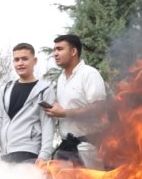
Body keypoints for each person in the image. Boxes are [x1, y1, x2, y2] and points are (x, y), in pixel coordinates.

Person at [44, 34, 109, 169]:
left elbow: (99, 107)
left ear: (74, 51)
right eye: (54, 50)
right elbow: (70, 106)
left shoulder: (89, 74)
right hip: (67, 146)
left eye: (60, 49)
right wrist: (56, 108)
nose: (55, 53)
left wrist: (65, 112)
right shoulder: (61, 78)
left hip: (88, 146)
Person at [0, 43, 55, 164]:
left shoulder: (44, 90)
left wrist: (44, 155)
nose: (20, 63)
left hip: (29, 153)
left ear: (34, 61)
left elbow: (48, 124)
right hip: (5, 153)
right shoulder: (6, 88)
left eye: (24, 59)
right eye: (16, 60)